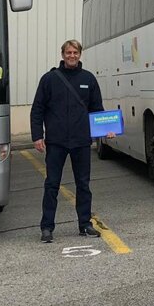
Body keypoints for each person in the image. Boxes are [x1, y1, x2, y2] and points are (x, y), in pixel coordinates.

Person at [30, 40, 112, 243]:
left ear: (80, 54)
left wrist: (107, 129)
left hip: (81, 141)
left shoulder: (88, 79)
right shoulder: (49, 79)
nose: (72, 56)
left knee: (83, 185)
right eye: (68, 52)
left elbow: (96, 109)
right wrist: (37, 136)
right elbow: (37, 109)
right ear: (63, 54)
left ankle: (85, 224)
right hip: (56, 141)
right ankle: (47, 227)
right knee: (52, 184)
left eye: (75, 52)